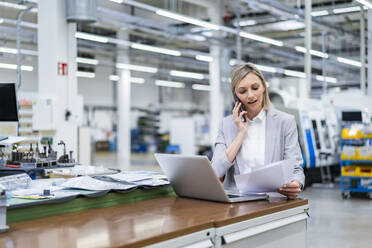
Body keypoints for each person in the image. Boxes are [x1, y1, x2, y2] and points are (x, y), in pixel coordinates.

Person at [211, 63, 305, 199]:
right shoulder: (226, 125)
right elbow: (215, 171)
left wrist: (295, 184)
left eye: (255, 88)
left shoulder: (285, 122)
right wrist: (241, 134)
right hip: (235, 203)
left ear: (263, 88)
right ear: (236, 96)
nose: (250, 95)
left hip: (272, 201)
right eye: (242, 91)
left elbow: (296, 168)